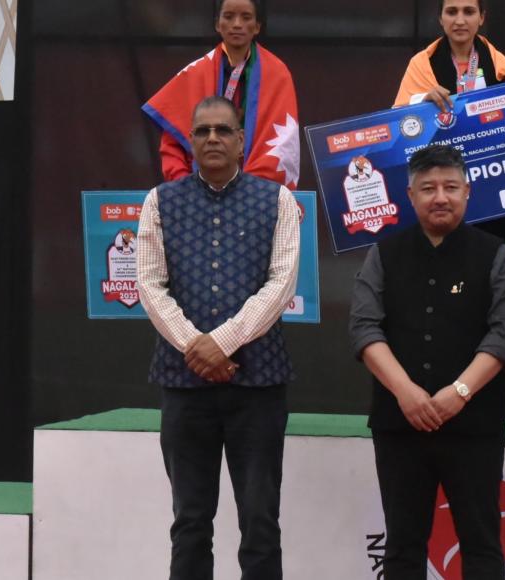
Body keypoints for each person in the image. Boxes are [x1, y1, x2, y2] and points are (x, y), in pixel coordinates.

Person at [136, 96, 300, 580]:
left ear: (241, 140)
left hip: (258, 389)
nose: (212, 138)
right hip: (185, 388)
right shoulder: (159, 202)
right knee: (190, 523)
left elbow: (282, 282)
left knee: (261, 524)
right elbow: (149, 283)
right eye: (203, 130)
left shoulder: (277, 201)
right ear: (190, 141)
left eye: (223, 130)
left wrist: (222, 342)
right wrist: (196, 347)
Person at [349, 145, 505, 579]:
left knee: (482, 546)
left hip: (474, 429)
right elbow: (365, 328)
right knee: (403, 548)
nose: (439, 197)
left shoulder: (495, 255)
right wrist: (406, 393)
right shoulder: (383, 254)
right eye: (428, 188)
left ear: (467, 191)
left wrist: (458, 393)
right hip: (399, 427)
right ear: (410, 195)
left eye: (449, 187)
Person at [143, 0, 300, 188]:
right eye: (229, 16)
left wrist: (249, 192)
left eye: (246, 17)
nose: (236, 24)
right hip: (197, 196)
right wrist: (186, 188)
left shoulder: (277, 74)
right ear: (218, 24)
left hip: (256, 197)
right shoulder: (194, 73)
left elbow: (282, 147)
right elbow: (172, 143)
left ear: (257, 27)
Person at [394, 0, 505, 110]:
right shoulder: (422, 63)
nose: (460, 21)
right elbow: (396, 117)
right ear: (441, 18)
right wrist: (423, 100)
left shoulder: (497, 62)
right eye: (452, 12)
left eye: (469, 12)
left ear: (481, 18)